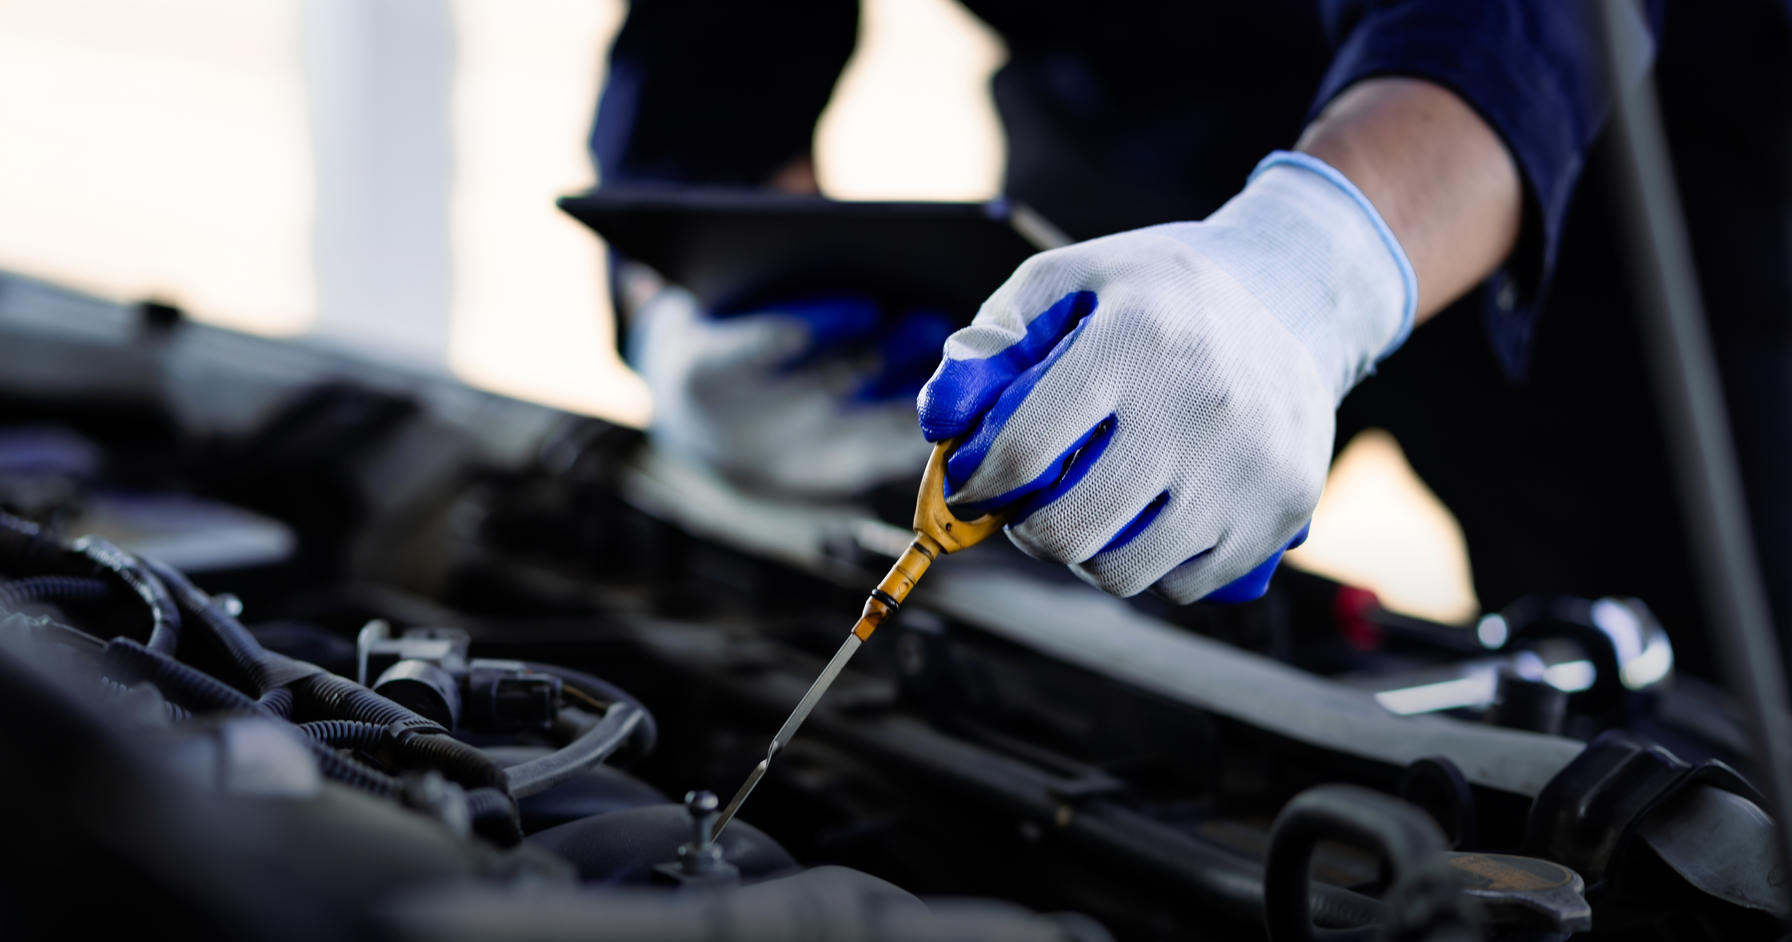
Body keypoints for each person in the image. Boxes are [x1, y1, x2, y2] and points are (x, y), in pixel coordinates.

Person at [592, 2, 1792, 681]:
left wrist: (1313, 263)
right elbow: (711, 73)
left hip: (1613, 182)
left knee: (1678, 756)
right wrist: (688, 306)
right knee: (1059, 668)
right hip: (1135, 152)